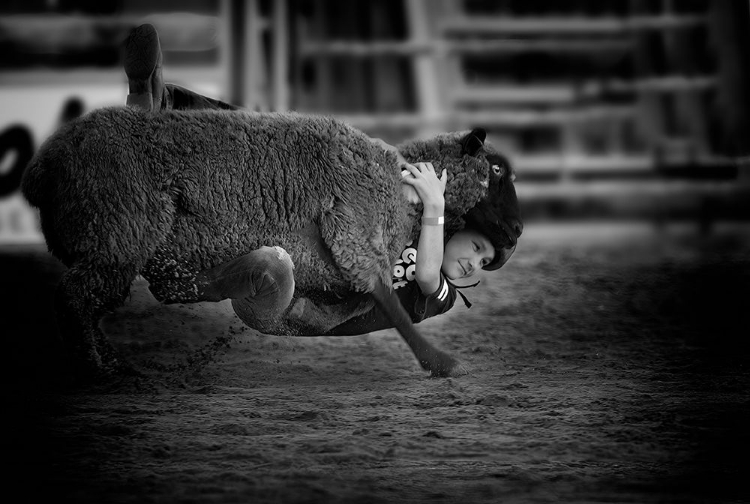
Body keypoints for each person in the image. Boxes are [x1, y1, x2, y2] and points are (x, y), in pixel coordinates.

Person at [121, 24, 517, 336]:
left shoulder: (442, 293)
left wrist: (435, 205)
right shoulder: (414, 220)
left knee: (269, 264)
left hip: (288, 306)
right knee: (286, 145)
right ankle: (166, 107)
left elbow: (428, 276)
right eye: (479, 249)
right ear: (462, 226)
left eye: (484, 264)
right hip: (292, 242)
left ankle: (179, 280)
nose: (474, 265)